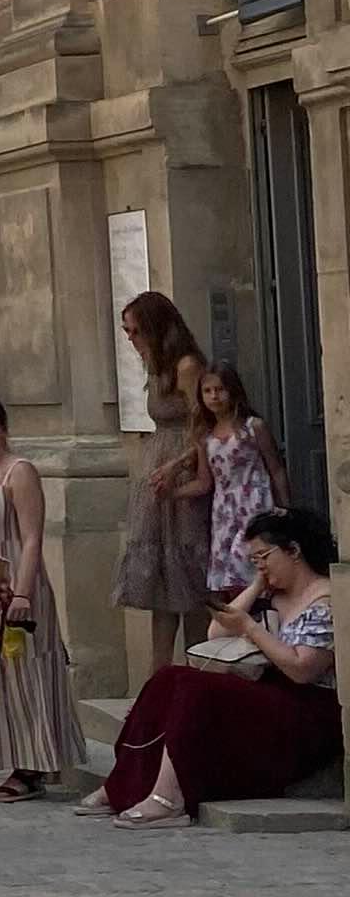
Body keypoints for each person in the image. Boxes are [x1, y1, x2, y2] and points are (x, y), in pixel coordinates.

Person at [86, 504, 338, 820]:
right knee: (170, 678)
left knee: (197, 688)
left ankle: (169, 796)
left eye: (264, 557)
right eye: (254, 561)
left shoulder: (325, 599)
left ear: (294, 551)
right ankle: (122, 784)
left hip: (308, 709)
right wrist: (256, 586)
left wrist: (251, 629)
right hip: (272, 694)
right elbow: (216, 633)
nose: (260, 566)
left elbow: (303, 669)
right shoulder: (273, 596)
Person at [0, 393, 83, 798]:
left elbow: (31, 538)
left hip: (15, 582)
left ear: (2, 428)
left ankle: (30, 767)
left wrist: (23, 593)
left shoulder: (19, 472)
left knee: (22, 672)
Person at [114, 290, 211, 674]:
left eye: (136, 330)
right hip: (157, 473)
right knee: (162, 585)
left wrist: (178, 464)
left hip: (184, 469)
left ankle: (198, 672)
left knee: (191, 574)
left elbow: (203, 424)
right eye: (127, 331)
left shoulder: (187, 366)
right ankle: (159, 678)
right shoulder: (155, 367)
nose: (131, 339)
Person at [197, 361, 287, 603]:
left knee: (256, 564)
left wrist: (285, 508)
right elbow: (204, 482)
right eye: (207, 391)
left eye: (220, 389)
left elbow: (276, 469)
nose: (214, 396)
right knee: (229, 578)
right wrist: (172, 492)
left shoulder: (253, 427)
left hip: (254, 505)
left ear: (233, 390)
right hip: (224, 515)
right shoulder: (205, 438)